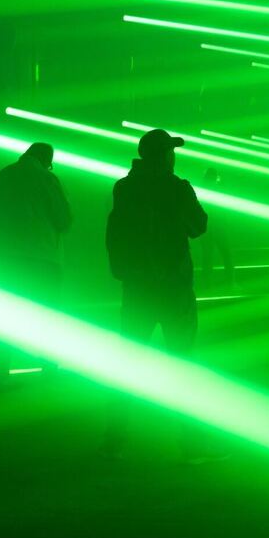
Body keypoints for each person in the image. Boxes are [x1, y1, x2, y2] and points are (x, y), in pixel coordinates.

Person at [103, 129, 210, 459]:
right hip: (173, 288)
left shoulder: (124, 187)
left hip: (137, 288)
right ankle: (192, 443)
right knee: (182, 360)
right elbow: (198, 225)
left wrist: (122, 271)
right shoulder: (177, 188)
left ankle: (114, 439)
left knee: (129, 360)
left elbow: (114, 232)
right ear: (165, 155)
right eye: (171, 152)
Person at [0, 142, 72, 385]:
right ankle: (47, 366)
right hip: (44, 257)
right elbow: (64, 220)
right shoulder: (47, 178)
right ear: (47, 159)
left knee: (8, 313)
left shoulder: (3, 175)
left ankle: (1, 371)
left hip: (10, 256)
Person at [199, 167, 235, 291]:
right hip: (219, 226)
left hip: (207, 228)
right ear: (214, 177)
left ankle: (206, 285)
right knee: (226, 254)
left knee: (208, 256)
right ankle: (230, 283)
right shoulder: (218, 188)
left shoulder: (201, 189)